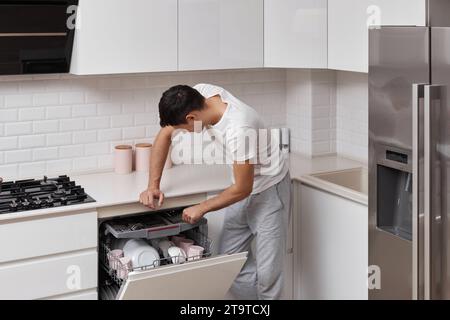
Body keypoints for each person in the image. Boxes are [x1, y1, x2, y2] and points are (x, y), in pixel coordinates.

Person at [139, 83, 290, 300]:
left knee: (269, 276)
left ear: (192, 118)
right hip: (240, 188)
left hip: (269, 190)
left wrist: (202, 207)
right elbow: (164, 135)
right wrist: (153, 186)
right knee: (229, 263)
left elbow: (243, 188)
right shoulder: (201, 93)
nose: (184, 133)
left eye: (184, 128)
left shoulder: (239, 128)